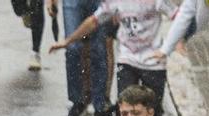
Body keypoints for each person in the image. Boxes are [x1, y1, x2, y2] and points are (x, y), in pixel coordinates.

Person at [46, 0, 176, 103]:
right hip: (128, 59)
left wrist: (170, 46)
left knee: (153, 113)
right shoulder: (114, 3)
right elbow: (93, 21)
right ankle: (94, 105)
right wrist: (68, 41)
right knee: (126, 107)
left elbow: (180, 17)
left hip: (153, 62)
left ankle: (101, 103)